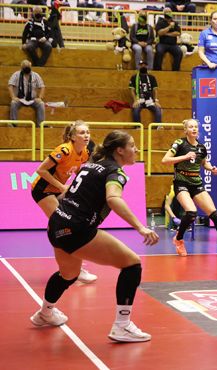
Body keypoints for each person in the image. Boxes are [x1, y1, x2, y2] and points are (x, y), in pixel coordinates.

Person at [30, 130, 159, 343]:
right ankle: (122, 326)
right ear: (119, 150)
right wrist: (141, 227)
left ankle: (45, 312)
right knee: (132, 264)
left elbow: (68, 193)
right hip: (77, 228)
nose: (136, 150)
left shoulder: (91, 165)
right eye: (132, 146)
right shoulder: (115, 172)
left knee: (68, 274)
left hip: (57, 222)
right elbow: (113, 198)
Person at [161, 119, 217, 257]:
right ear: (185, 130)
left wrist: (211, 168)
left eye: (195, 127)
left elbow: (204, 163)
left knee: (216, 215)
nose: (194, 129)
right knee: (191, 212)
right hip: (181, 183)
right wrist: (184, 157)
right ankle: (179, 239)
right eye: (191, 127)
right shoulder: (179, 143)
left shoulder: (201, 147)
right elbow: (165, 160)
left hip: (196, 184)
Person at [31, 121, 97, 283]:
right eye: (82, 132)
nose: (86, 135)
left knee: (67, 226)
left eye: (87, 132)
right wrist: (62, 187)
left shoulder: (84, 153)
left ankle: (71, 268)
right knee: (65, 226)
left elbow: (79, 172)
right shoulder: (64, 150)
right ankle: (75, 270)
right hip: (43, 190)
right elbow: (41, 170)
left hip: (58, 192)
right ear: (72, 136)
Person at [8, 59, 45, 127]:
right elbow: (10, 85)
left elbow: (42, 86)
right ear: (21, 67)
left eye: (28, 67)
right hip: (19, 99)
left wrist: (40, 97)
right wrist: (13, 97)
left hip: (32, 99)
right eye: (25, 67)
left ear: (30, 67)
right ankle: (13, 123)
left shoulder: (36, 75)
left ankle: (40, 124)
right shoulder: (16, 74)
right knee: (13, 103)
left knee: (41, 104)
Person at [129, 60, 162, 125]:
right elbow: (132, 90)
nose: (143, 66)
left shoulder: (152, 77)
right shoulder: (134, 77)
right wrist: (135, 100)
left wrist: (156, 101)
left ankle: (158, 126)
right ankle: (137, 127)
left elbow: (155, 90)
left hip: (149, 100)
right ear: (139, 66)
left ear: (147, 66)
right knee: (135, 109)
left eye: (144, 65)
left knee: (158, 109)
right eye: (141, 65)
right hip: (139, 99)